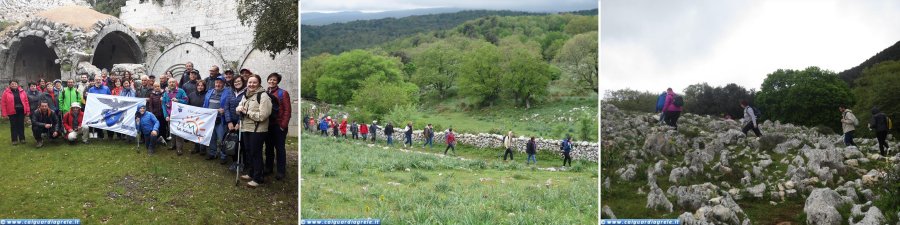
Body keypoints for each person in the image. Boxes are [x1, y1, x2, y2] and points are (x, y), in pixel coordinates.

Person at [237, 74, 273, 187]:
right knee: (248, 151)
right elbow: (239, 107)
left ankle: (258, 178)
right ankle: (251, 173)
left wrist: (247, 112)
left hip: (258, 129)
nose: (251, 84)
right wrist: (239, 109)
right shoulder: (245, 95)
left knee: (255, 152)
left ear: (259, 84)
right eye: (249, 82)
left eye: (254, 82)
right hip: (245, 127)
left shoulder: (263, 96)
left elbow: (263, 115)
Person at [264, 72, 291, 180]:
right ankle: (268, 167)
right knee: (268, 147)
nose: (272, 81)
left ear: (277, 81)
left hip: (278, 125)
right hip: (268, 125)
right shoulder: (265, 93)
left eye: (274, 80)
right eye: (270, 79)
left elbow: (287, 110)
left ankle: (281, 171)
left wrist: (283, 125)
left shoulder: (283, 93)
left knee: (280, 149)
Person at [223, 76, 247, 171]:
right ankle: (235, 162)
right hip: (231, 123)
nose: (237, 83)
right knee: (233, 142)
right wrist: (229, 122)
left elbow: (245, 109)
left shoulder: (246, 93)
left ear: (243, 82)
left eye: (239, 81)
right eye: (235, 82)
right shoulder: (230, 92)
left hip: (242, 122)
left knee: (243, 144)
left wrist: (238, 123)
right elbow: (226, 107)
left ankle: (244, 163)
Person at [204, 77, 229, 164]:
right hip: (210, 120)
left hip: (220, 119)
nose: (218, 84)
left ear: (223, 84)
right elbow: (205, 104)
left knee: (222, 138)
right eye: (216, 82)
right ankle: (212, 153)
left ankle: (223, 155)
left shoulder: (228, 92)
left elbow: (230, 105)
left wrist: (224, 110)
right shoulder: (210, 91)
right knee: (211, 137)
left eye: (220, 83)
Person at [162, 79, 188, 155]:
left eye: (173, 82)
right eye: (170, 82)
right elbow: (163, 104)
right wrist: (166, 115)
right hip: (170, 116)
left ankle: (179, 148)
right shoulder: (166, 93)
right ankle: (173, 145)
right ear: (168, 84)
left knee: (179, 132)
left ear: (176, 83)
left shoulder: (181, 91)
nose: (171, 83)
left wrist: (178, 100)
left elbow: (186, 100)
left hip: (179, 116)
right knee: (172, 131)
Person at [2, 81, 30, 145]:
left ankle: (22, 139)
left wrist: (28, 111)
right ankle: (14, 140)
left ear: (18, 85)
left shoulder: (22, 91)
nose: (14, 85)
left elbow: (26, 101)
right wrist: (4, 114)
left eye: (15, 84)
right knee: (13, 126)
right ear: (9, 85)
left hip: (21, 111)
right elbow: (3, 104)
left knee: (21, 125)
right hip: (12, 112)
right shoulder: (6, 92)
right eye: (12, 84)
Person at [188, 81, 208, 155]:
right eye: (198, 85)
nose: (200, 87)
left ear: (204, 87)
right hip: (194, 117)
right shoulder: (191, 95)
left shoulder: (207, 95)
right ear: (196, 86)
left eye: (202, 86)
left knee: (203, 133)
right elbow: (188, 105)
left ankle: (203, 149)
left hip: (204, 117)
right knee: (195, 132)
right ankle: (196, 148)